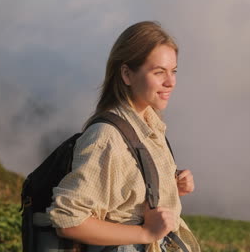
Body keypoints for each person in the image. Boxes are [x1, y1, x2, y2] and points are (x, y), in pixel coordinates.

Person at [44, 21, 201, 252]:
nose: (171, 82)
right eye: (159, 72)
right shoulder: (106, 137)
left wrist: (170, 186)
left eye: (173, 71)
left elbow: (125, 196)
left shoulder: (149, 123)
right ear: (127, 74)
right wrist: (145, 233)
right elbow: (68, 219)